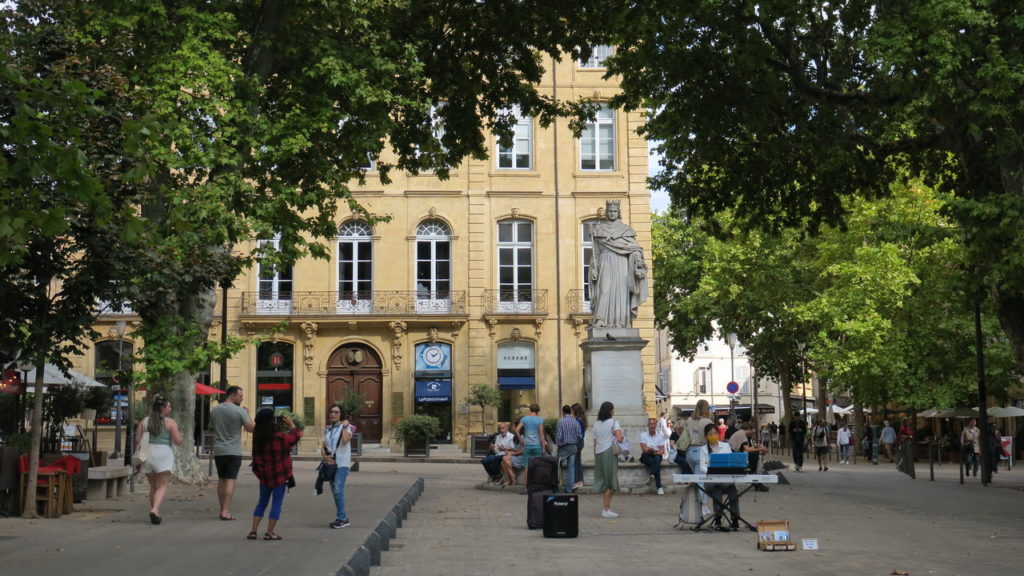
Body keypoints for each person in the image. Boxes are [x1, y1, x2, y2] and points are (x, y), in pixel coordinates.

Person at [588, 200, 648, 329]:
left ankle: (621, 322)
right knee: (604, 290)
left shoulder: (626, 230)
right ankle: (600, 320)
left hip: (622, 264)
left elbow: (635, 249)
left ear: (618, 212)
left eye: (615, 211)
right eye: (610, 211)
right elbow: (595, 253)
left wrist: (638, 263)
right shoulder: (598, 230)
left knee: (621, 293)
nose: (612, 214)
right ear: (606, 212)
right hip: (605, 262)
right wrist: (594, 268)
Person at [248, 408, 302, 540]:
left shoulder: (257, 438)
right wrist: (292, 425)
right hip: (279, 475)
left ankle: (253, 531)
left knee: (262, 502)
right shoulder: (279, 437)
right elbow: (295, 437)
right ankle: (269, 532)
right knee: (276, 503)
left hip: (264, 476)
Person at [209, 385, 255, 521]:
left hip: (218, 450)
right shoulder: (239, 411)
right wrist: (248, 414)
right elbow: (251, 428)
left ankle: (222, 508)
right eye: (240, 396)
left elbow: (213, 425)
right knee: (230, 480)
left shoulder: (215, 410)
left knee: (221, 479)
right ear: (233, 395)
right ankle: (225, 511)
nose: (242, 399)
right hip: (233, 450)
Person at [135, 396, 183, 525]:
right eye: (169, 406)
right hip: (163, 453)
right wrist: (181, 437)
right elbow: (177, 441)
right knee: (162, 486)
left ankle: (155, 511)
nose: (170, 409)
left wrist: (138, 460)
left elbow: (137, 441)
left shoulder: (143, 422)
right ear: (163, 408)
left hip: (147, 452)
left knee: (153, 486)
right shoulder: (170, 423)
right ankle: (155, 510)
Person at [700, 423, 740, 532]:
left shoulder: (726, 446)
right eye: (710, 434)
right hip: (712, 480)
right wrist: (712, 471)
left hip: (725, 478)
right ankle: (718, 519)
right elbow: (702, 467)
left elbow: (730, 461)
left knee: (733, 491)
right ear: (706, 436)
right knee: (716, 490)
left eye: (715, 433)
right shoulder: (703, 449)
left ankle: (735, 519)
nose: (713, 435)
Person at [321, 405, 353, 528]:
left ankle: (342, 518)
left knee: (338, 488)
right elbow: (323, 447)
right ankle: (342, 517)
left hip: (342, 463)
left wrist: (345, 426)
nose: (333, 414)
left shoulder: (346, 428)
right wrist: (326, 457)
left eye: (336, 412)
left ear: (341, 415)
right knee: (335, 491)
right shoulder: (328, 429)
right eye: (331, 411)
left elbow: (345, 440)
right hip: (331, 464)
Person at [592, 401, 624, 518]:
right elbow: (620, 438)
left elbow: (594, 443)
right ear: (610, 411)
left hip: (599, 453)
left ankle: (606, 507)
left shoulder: (596, 424)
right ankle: (606, 508)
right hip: (609, 452)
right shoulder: (613, 423)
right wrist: (622, 437)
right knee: (610, 480)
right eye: (613, 409)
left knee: (603, 479)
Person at [685, 399, 714, 516]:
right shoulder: (707, 422)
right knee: (702, 481)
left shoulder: (689, 420)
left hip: (689, 452)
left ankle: (697, 504)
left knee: (697, 480)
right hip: (701, 451)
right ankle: (703, 506)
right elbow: (712, 438)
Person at [728, 421, 768, 491]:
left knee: (757, 454)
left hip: (735, 454)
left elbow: (748, 448)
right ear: (749, 429)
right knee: (756, 455)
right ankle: (754, 476)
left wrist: (759, 448)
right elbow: (747, 449)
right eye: (753, 430)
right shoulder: (742, 433)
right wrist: (761, 448)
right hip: (733, 455)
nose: (754, 432)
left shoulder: (744, 434)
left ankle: (756, 479)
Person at [555, 405, 583, 493]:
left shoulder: (561, 422)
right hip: (573, 447)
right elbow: (580, 435)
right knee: (571, 468)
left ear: (563, 412)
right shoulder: (575, 422)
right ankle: (569, 489)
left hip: (564, 447)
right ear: (570, 412)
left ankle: (557, 486)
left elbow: (559, 436)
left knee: (557, 467)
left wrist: (559, 445)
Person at [639, 417, 667, 495]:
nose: (652, 426)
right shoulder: (643, 435)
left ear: (656, 425)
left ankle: (651, 475)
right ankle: (659, 487)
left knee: (656, 460)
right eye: (650, 424)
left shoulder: (660, 435)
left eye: (653, 424)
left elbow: (662, 450)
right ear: (648, 425)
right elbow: (644, 449)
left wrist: (655, 452)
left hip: (656, 455)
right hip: (646, 455)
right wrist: (655, 451)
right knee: (656, 462)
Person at [572, 403, 587, 490]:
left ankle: (576, 481)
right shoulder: (582, 419)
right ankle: (580, 480)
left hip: (577, 442)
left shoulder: (577, 421)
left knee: (575, 462)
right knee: (578, 461)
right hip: (581, 442)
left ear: (575, 411)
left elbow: (577, 434)